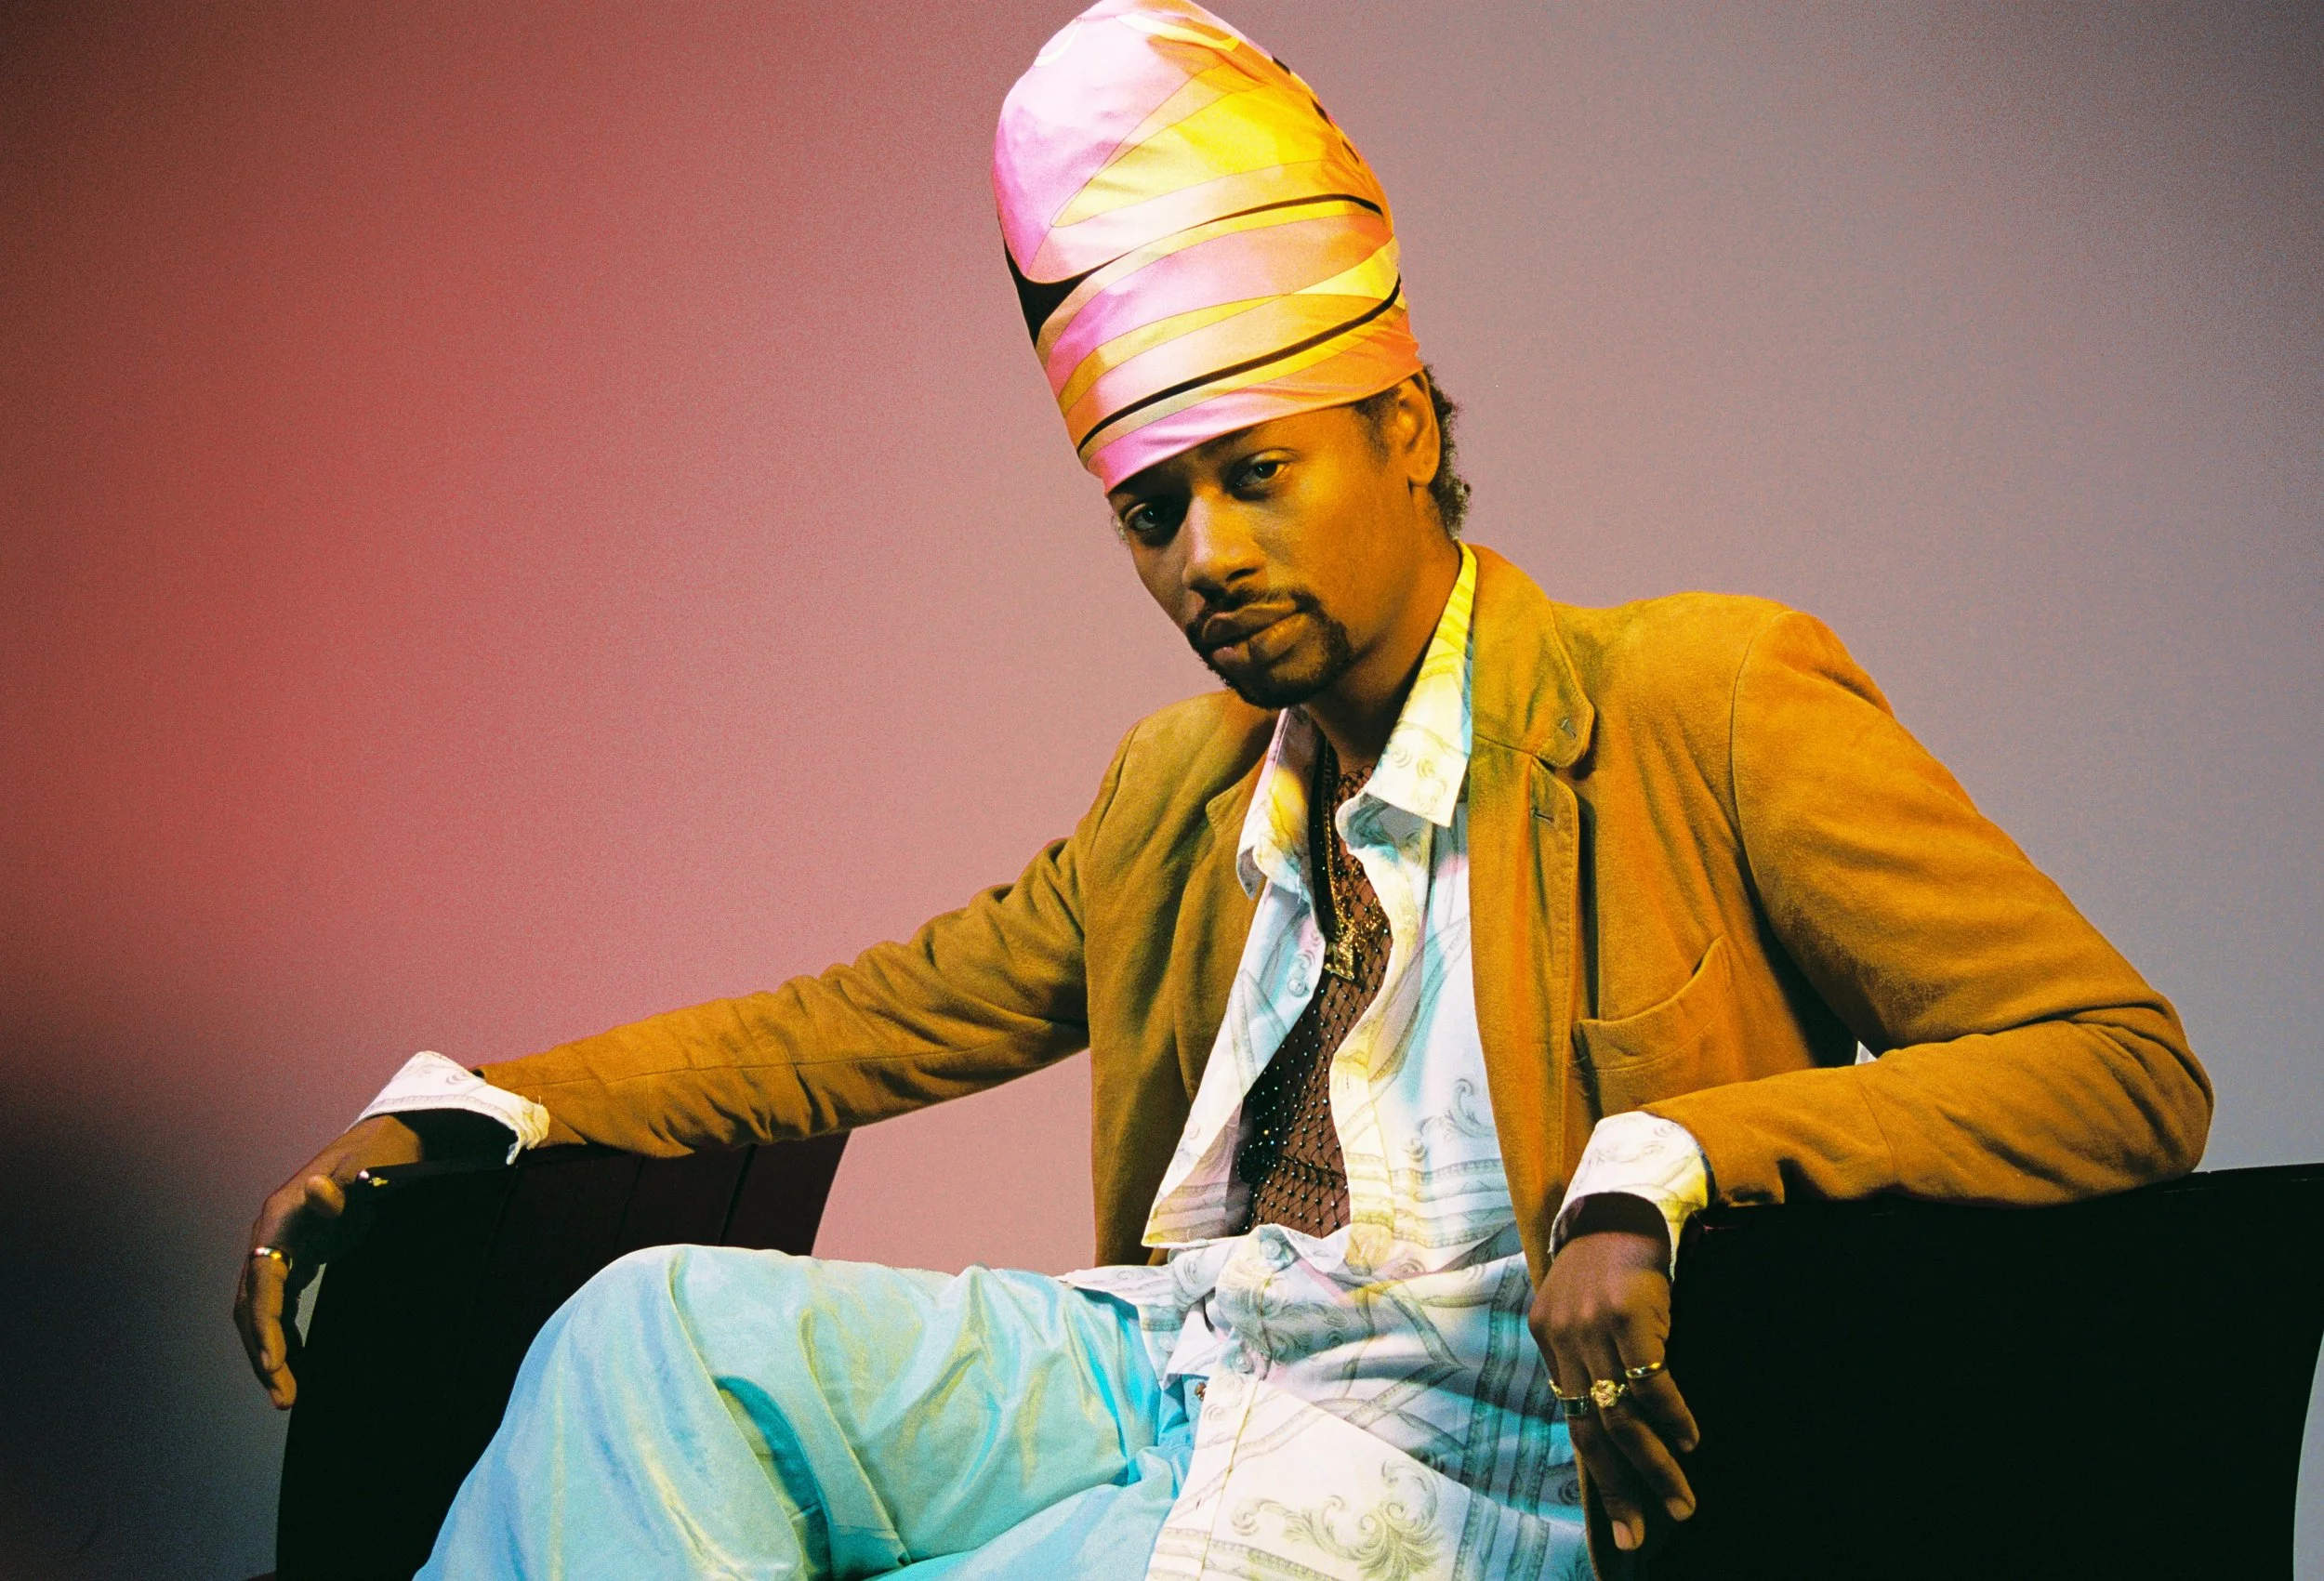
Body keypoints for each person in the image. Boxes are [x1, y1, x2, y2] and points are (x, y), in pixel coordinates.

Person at [233, 3, 2212, 1576]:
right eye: (1153, 512)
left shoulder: (1700, 698)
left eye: (1256, 476)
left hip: (1468, 1469)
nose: (1205, 559)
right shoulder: (1179, 793)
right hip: (1170, 1372)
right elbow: (847, 1027)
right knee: (652, 1337)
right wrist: (469, 1113)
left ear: (1406, 427)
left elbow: (2121, 1069)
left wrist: (1667, 1158)